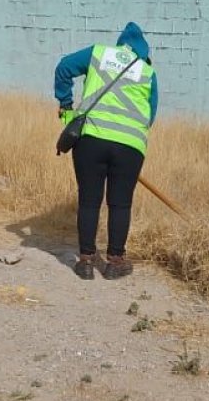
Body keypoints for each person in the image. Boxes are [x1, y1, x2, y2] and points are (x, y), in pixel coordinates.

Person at [53, 22, 159, 280]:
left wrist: (66, 106)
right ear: (143, 50)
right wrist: (128, 137)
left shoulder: (99, 53)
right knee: (120, 204)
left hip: (91, 140)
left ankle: (86, 262)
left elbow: (64, 68)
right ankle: (115, 263)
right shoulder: (147, 71)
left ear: (121, 43)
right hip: (130, 146)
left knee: (89, 200)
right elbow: (150, 113)